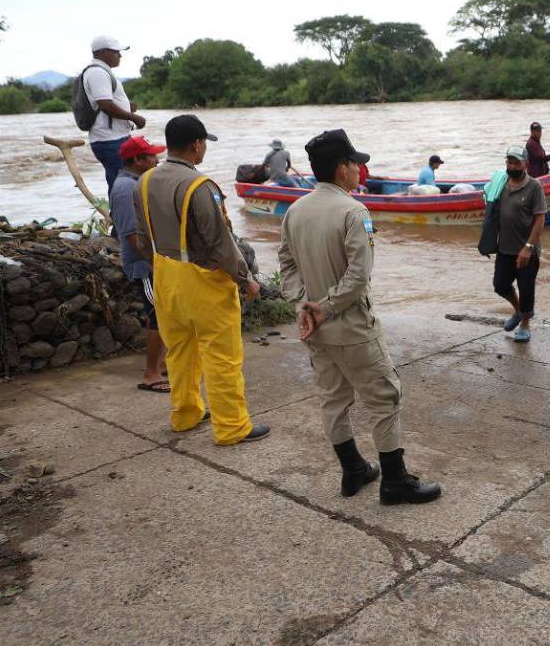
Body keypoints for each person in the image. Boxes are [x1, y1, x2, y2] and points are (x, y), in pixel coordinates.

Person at [280, 129, 441, 505]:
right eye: (356, 164)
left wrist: (302, 305)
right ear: (342, 170)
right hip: (351, 326)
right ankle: (395, 481)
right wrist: (327, 306)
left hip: (314, 329)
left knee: (333, 400)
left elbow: (286, 263)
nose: (360, 170)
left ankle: (353, 471)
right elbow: (357, 275)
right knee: (384, 398)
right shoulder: (354, 211)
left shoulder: (295, 210)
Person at [132, 114, 269, 446]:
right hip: (203, 282)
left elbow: (140, 239)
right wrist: (246, 279)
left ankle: (186, 413)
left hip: (165, 276)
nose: (204, 148)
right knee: (222, 356)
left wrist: (160, 268)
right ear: (196, 144)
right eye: (204, 142)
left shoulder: (144, 181)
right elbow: (219, 242)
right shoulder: (200, 186)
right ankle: (232, 427)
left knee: (179, 351)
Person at [110, 135, 168, 393]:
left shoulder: (138, 182)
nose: (156, 159)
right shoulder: (125, 188)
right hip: (144, 264)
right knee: (158, 316)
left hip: (153, 260)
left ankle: (163, 364)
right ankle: (151, 374)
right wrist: (155, 263)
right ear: (137, 159)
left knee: (166, 313)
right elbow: (131, 234)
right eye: (151, 156)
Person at [493, 147, 547, 343]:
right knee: (500, 285)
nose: (512, 166)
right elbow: (491, 208)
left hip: (527, 249)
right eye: (509, 162)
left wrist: (528, 247)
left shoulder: (534, 187)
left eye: (516, 163)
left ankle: (525, 323)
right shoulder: (501, 184)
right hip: (504, 247)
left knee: (526, 288)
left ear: (526, 164)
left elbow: (540, 219)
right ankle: (518, 311)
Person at [81, 36, 145, 195]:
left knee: (119, 182)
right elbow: (105, 105)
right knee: (123, 185)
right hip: (110, 140)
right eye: (117, 52)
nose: (120, 56)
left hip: (114, 138)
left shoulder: (101, 72)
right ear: (104, 52)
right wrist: (133, 117)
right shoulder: (98, 73)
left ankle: (119, 217)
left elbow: (105, 103)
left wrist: (127, 107)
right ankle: (121, 218)